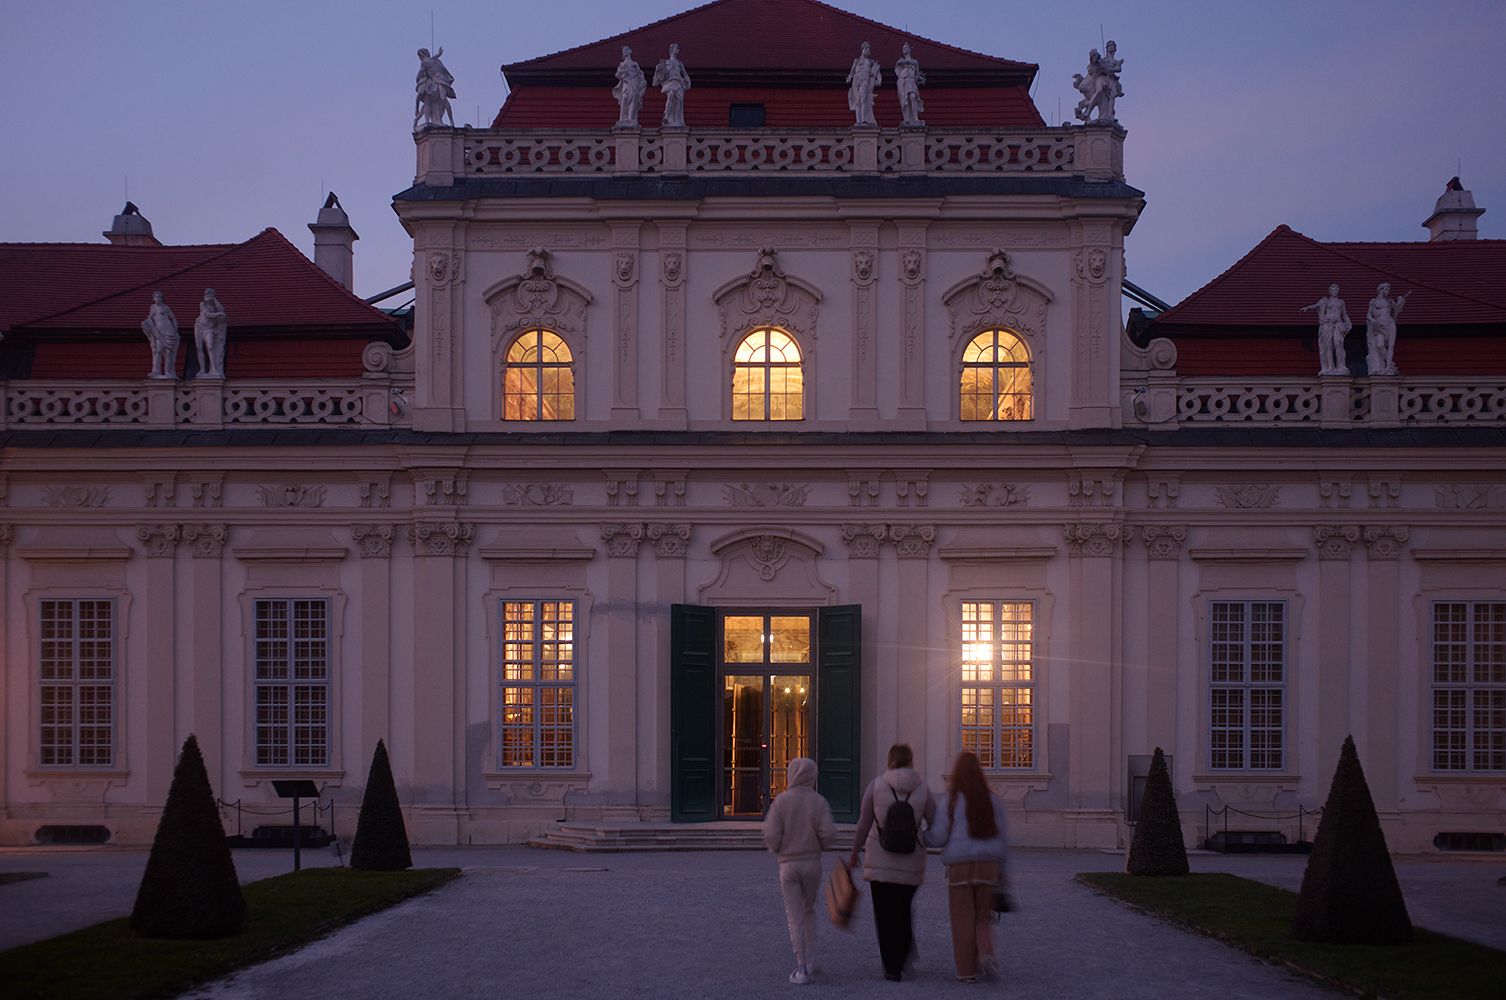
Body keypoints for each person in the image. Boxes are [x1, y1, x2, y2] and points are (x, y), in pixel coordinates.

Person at [847, 743, 934, 981]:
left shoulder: (877, 785)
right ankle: (904, 957)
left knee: (884, 916)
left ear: (890, 761)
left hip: (880, 860)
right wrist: (921, 839)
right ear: (911, 761)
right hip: (911, 859)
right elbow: (934, 822)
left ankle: (891, 967)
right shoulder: (923, 788)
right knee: (904, 911)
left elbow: (864, 823)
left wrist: (855, 852)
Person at [926, 751, 1009, 983]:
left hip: (960, 864)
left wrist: (923, 838)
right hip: (988, 865)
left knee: (962, 919)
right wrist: (1003, 871)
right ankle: (987, 954)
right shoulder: (993, 800)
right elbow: (1003, 839)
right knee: (983, 917)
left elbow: (939, 836)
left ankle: (966, 972)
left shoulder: (951, 800)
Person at [763, 757, 836, 986]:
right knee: (808, 910)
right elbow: (828, 834)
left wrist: (778, 850)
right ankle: (811, 958)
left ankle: (801, 966)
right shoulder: (819, 802)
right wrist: (820, 844)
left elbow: (771, 834)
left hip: (788, 864)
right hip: (812, 863)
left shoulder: (781, 802)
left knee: (794, 916)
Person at [1299, 284, 1353, 376]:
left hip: (1337, 324)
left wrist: (1349, 323)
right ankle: (1329, 367)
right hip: (1327, 324)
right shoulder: (1325, 301)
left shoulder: (1341, 302)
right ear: (1329, 291)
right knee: (1328, 346)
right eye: (1332, 290)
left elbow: (1344, 314)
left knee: (1338, 344)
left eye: (1336, 289)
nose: (1334, 291)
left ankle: (1340, 367)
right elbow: (1316, 306)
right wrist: (1307, 308)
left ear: (1338, 290)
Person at [1366, 282, 1409, 376]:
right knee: (1379, 345)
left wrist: (1401, 301)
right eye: (1385, 289)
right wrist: (1374, 321)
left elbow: (1397, 309)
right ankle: (1391, 363)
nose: (1387, 292)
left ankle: (1388, 367)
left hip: (1390, 323)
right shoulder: (1374, 301)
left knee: (1391, 345)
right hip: (1379, 325)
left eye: (1388, 290)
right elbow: (1369, 315)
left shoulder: (1389, 301)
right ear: (1380, 289)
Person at [414, 47, 457, 130]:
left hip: (439, 81)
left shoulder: (425, 63)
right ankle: (451, 121)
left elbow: (419, 75)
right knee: (443, 99)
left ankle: (451, 121)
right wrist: (439, 54)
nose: (419, 59)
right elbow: (433, 58)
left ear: (422, 55)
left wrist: (421, 78)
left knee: (443, 99)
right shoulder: (434, 61)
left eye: (419, 57)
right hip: (440, 81)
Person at [141, 290, 179, 380]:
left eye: (159, 297)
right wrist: (147, 325)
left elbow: (173, 318)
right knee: (158, 350)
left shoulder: (166, 308)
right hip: (159, 332)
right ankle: (156, 371)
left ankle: (168, 372)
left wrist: (175, 330)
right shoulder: (153, 307)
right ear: (154, 298)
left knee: (168, 352)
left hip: (168, 330)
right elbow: (150, 319)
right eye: (156, 297)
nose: (158, 298)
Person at [653, 44, 691, 128]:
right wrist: (658, 70)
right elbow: (661, 77)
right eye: (676, 48)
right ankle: (666, 115)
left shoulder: (679, 63)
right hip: (670, 82)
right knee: (670, 95)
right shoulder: (666, 62)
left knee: (679, 102)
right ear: (671, 49)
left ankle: (677, 120)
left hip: (679, 82)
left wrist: (688, 80)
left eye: (678, 48)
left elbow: (684, 73)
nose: (677, 49)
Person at [846, 42, 882, 126]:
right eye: (866, 48)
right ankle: (859, 121)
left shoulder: (871, 61)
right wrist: (849, 77)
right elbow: (852, 70)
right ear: (862, 50)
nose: (868, 50)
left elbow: (877, 70)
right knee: (857, 101)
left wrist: (879, 80)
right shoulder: (857, 60)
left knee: (863, 99)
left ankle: (864, 120)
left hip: (865, 81)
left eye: (869, 48)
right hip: (856, 81)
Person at [612, 46, 646, 127]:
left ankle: (631, 119)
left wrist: (642, 81)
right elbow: (617, 74)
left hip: (634, 82)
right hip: (626, 83)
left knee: (633, 98)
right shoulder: (622, 64)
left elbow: (640, 74)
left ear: (630, 51)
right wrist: (623, 77)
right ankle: (623, 119)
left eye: (626, 50)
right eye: (624, 51)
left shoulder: (634, 63)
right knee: (625, 98)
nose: (625, 52)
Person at [895, 43, 926, 127]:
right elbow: (898, 71)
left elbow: (917, 73)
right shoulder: (900, 61)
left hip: (911, 80)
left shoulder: (914, 61)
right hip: (903, 81)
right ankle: (907, 119)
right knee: (906, 100)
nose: (904, 49)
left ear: (909, 49)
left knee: (913, 97)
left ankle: (915, 118)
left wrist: (920, 78)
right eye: (903, 48)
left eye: (905, 48)